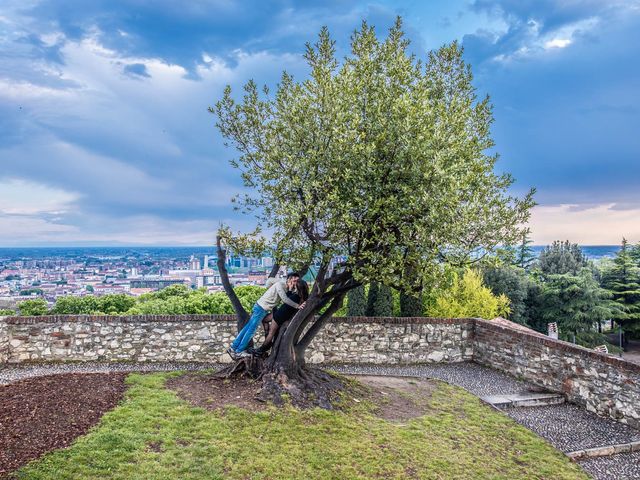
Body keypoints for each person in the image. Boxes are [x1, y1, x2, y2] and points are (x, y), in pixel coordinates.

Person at [227, 272, 304, 359]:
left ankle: (233, 348)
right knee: (251, 330)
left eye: (297, 281)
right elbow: (285, 299)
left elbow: (271, 280)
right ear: (289, 279)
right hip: (261, 308)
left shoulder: (287, 288)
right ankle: (239, 351)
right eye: (295, 281)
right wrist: (298, 306)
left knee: (248, 327)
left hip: (261, 308)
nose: (296, 283)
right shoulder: (280, 285)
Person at [252, 278, 309, 356]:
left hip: (280, 316)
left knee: (271, 333)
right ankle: (266, 338)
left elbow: (287, 299)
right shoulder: (300, 297)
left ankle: (261, 349)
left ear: (298, 287)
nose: (294, 285)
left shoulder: (296, 296)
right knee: (264, 320)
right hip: (279, 313)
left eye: (295, 284)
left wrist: (289, 289)